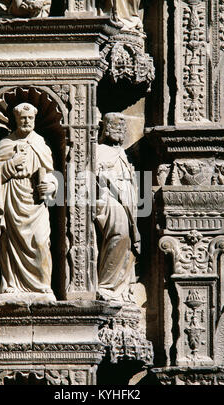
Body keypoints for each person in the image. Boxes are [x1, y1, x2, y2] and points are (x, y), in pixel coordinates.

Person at [0, 102, 57, 300]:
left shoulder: (41, 143)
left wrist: (51, 186)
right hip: (11, 195)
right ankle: (11, 283)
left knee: (41, 241)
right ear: (16, 120)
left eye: (30, 118)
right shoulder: (6, 143)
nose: (26, 121)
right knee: (9, 242)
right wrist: (11, 164)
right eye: (22, 118)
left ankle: (43, 284)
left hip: (35, 199)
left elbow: (51, 174)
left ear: (35, 119)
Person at [95, 113, 140, 302]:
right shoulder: (98, 150)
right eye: (115, 127)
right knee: (119, 234)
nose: (120, 130)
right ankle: (106, 285)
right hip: (108, 198)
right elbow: (91, 173)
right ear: (106, 129)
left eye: (122, 128)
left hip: (126, 200)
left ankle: (119, 287)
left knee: (127, 240)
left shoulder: (122, 153)